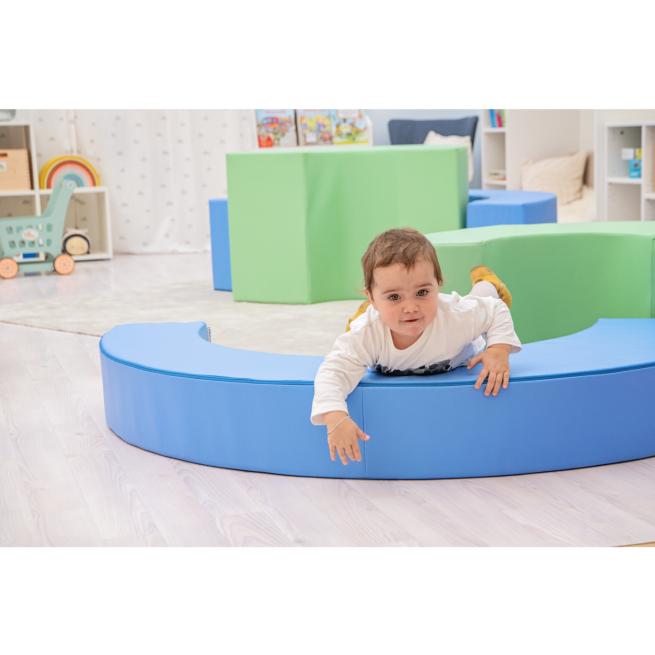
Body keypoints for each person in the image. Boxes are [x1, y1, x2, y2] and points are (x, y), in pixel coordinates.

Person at [311, 227, 521, 466]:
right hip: (374, 324)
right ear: (371, 297)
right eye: (394, 297)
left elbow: (495, 311)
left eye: (422, 292)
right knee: (358, 331)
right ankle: (369, 311)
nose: (411, 307)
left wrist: (498, 349)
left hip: (458, 347)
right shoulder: (368, 333)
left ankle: (488, 282)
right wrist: (335, 416)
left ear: (438, 285)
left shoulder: (455, 317)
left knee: (482, 298)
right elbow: (333, 371)